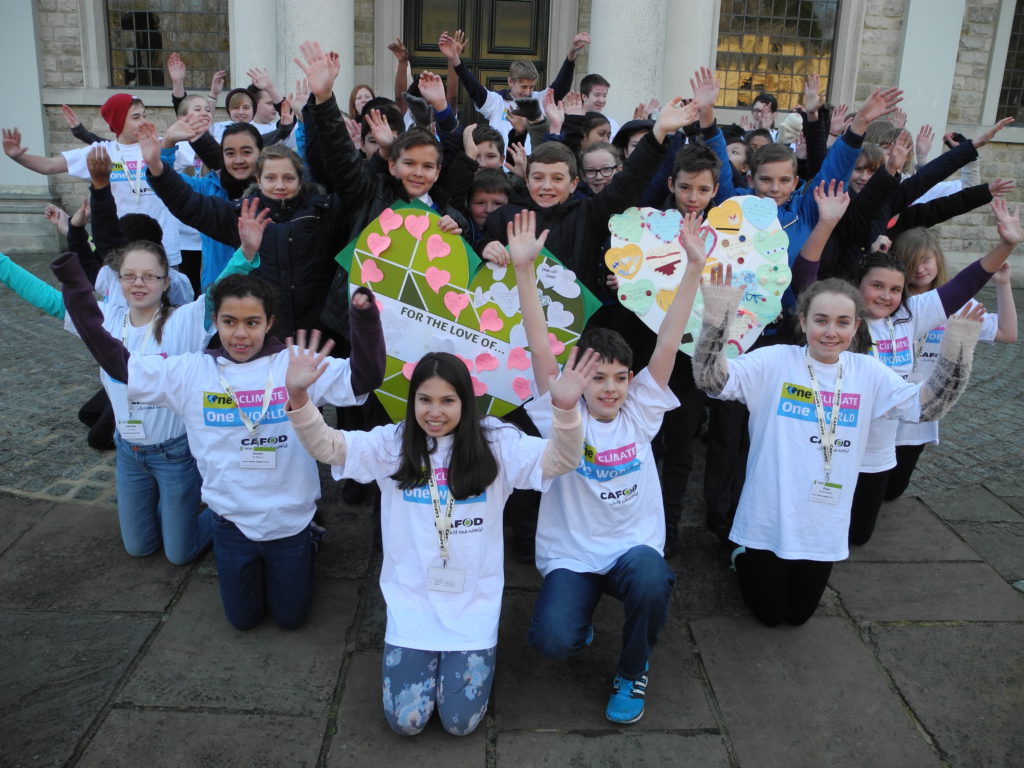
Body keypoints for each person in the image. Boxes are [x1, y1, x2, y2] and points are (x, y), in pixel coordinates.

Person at [53, 249, 386, 629]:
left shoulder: (293, 363)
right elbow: (119, 363)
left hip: (289, 522)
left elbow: (365, 378)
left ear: (269, 323)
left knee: (291, 619)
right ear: (214, 322)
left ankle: (311, 539)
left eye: (252, 322)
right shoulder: (192, 371)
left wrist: (363, 320)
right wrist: (75, 284)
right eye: (229, 321)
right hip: (231, 524)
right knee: (242, 621)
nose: (240, 334)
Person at [284, 340, 598, 736]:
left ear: (465, 401)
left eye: (448, 400)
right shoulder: (394, 443)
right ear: (411, 401)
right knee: (407, 722)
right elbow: (329, 446)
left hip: (473, 606)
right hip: (412, 601)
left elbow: (561, 460)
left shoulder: (497, 442)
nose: (435, 412)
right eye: (425, 400)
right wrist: (297, 395)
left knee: (459, 723)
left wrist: (567, 410)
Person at [692, 267, 985, 627]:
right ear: (803, 321)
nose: (831, 332)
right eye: (821, 320)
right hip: (767, 515)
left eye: (843, 322)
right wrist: (717, 318)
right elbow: (711, 379)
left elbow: (927, 407)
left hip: (822, 520)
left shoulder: (868, 372)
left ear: (856, 327)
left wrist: (956, 352)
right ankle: (741, 554)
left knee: (798, 616)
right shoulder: (774, 361)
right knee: (769, 615)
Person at [511, 209, 706, 724]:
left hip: (631, 547)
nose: (611, 388)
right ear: (579, 378)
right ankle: (579, 614)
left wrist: (693, 268)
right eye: (599, 378)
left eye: (619, 377)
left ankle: (632, 668)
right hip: (573, 553)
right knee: (552, 641)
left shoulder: (640, 411)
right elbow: (537, 343)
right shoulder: (561, 412)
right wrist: (524, 272)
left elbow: (668, 340)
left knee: (649, 577)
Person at [884, 231, 1017, 500]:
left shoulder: (958, 305)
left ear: (938, 260)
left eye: (926, 260)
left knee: (894, 490)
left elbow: (1007, 332)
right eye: (911, 261)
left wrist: (1003, 284)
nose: (920, 269)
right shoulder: (888, 305)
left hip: (919, 417)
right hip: (884, 411)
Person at [4, 94, 184, 267]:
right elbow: (49, 166)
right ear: (119, 121)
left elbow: (199, 152)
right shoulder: (101, 152)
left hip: (164, 246)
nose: (143, 121)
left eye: (144, 115)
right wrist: (18, 157)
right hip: (120, 248)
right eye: (136, 117)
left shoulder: (160, 145)